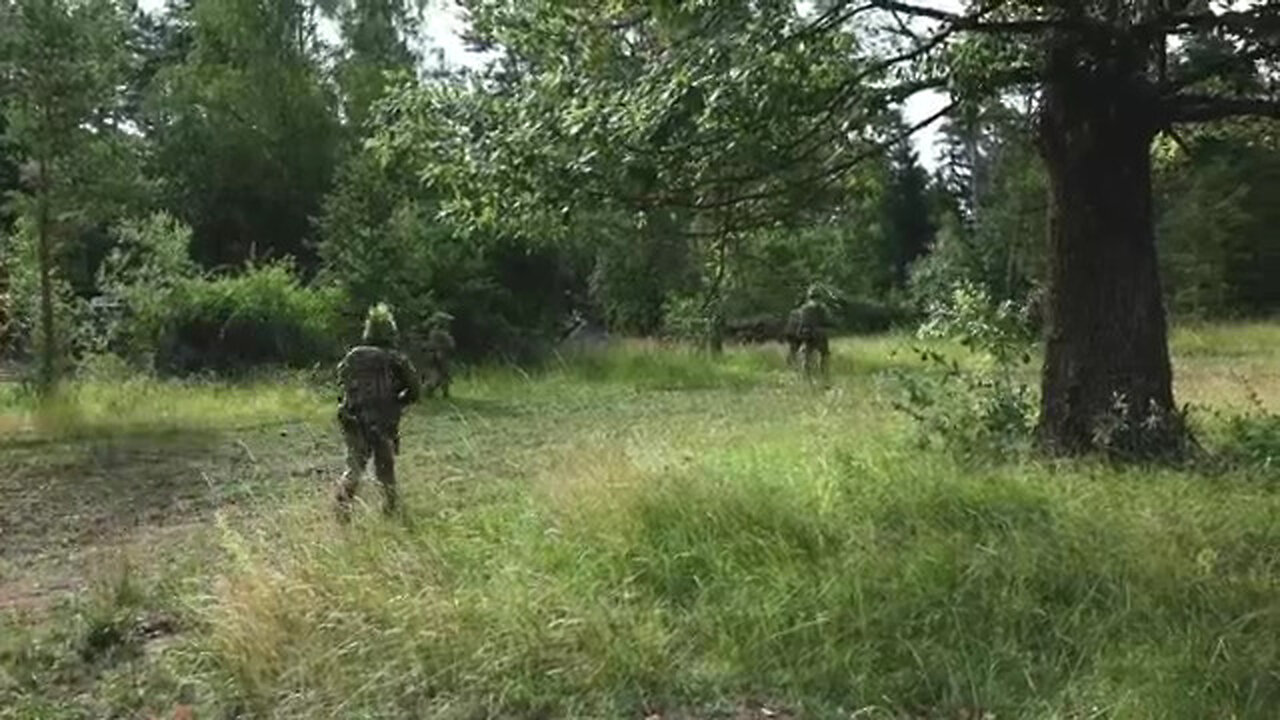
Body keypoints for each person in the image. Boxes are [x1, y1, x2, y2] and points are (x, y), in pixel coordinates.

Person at [334, 303, 420, 520]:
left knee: (354, 465)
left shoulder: (353, 356)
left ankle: (342, 507)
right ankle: (390, 510)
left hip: (352, 417)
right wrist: (398, 402)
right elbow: (414, 389)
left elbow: (340, 380)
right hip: (382, 421)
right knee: (386, 467)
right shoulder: (395, 358)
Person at [794, 283, 831, 379]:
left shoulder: (805, 308)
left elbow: (802, 322)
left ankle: (806, 376)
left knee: (806, 356)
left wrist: (799, 333)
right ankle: (824, 374)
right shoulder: (823, 308)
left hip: (808, 333)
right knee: (824, 355)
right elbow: (828, 321)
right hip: (820, 333)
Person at [422, 311, 456, 399]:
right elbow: (436, 346)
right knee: (437, 377)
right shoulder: (438, 333)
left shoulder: (437, 332)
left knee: (443, 376)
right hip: (439, 356)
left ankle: (444, 394)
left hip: (441, 356)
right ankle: (428, 393)